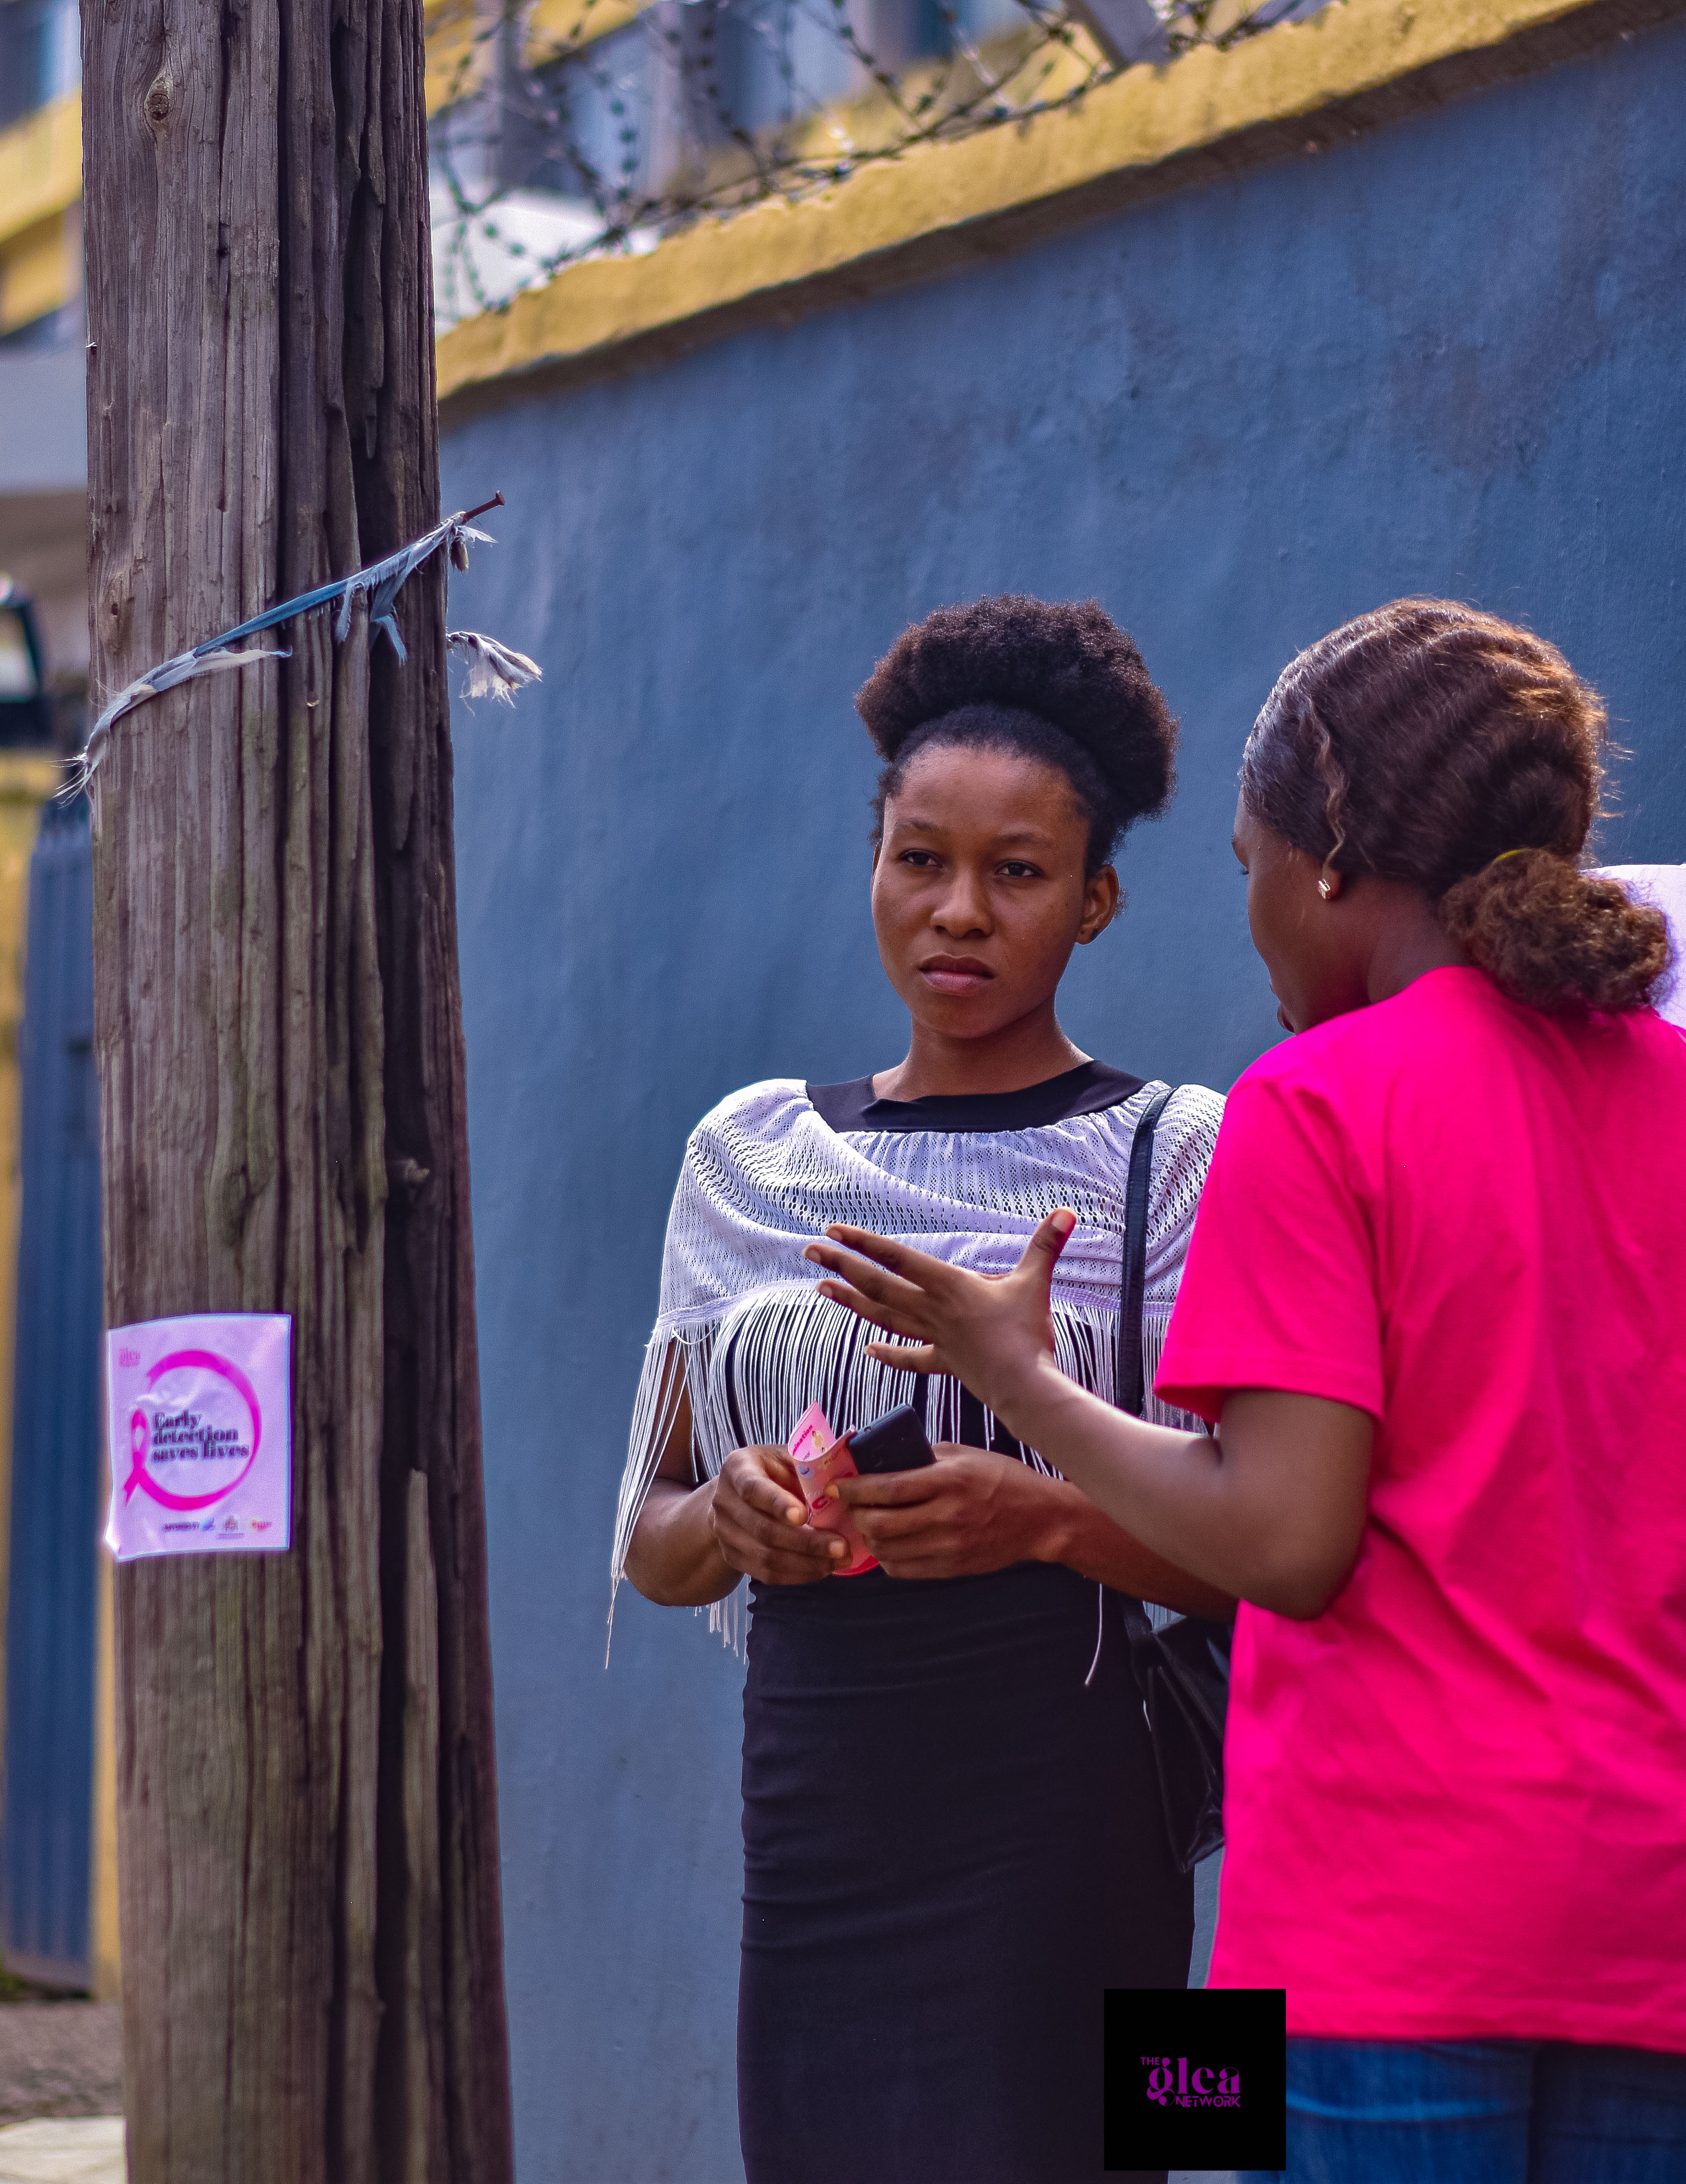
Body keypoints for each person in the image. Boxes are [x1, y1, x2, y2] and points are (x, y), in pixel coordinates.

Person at [807, 599, 1686, 2184]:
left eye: (1251, 859)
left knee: (1187, 2128)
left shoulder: (1316, 1103)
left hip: (1352, 1943)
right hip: (1673, 1944)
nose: (1254, 907)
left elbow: (1283, 1544)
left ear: (1324, 854)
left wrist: (1023, 1380)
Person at [611, 596, 1231, 2184]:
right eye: (919, 860)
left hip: (1080, 1828)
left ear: (1095, 901)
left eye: (1016, 873)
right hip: (818, 1819)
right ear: (872, 864)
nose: (958, 912)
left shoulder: (1175, 1153)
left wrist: (1045, 1520)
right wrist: (738, 1521)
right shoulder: (748, 1155)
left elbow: (1270, 1559)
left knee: (1116, 2158)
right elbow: (651, 1545)